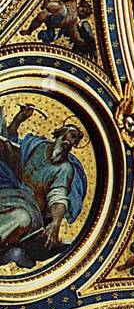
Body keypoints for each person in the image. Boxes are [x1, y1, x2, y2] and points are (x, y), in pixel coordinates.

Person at [0, 104, 89, 266]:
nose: (72, 141)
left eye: (76, 140)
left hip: (29, 209)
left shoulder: (65, 168)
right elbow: (10, 146)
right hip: (7, 191)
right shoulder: (36, 145)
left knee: (20, 217)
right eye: (72, 135)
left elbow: (58, 196)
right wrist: (18, 119)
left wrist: (55, 222)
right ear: (61, 132)